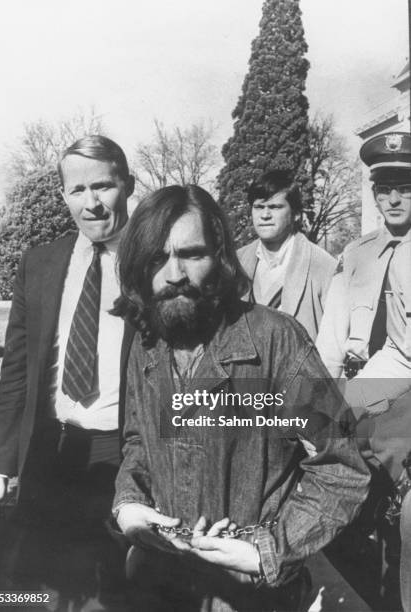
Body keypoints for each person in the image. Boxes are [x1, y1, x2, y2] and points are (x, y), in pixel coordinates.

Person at [112, 184, 369, 612]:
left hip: (252, 596)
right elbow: (139, 442)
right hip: (159, 583)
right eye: (157, 258)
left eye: (192, 254)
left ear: (220, 257)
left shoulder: (276, 341)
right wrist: (130, 506)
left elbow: (342, 468)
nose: (174, 274)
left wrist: (267, 551)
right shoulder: (147, 341)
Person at [0, 135, 136, 609]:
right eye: (77, 190)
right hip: (50, 451)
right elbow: (16, 371)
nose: (91, 204)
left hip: (123, 452)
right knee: (37, 588)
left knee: (115, 588)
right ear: (63, 196)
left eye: (102, 187)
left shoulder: (156, 265)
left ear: (127, 185)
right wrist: (1, 463)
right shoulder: (39, 263)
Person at [316, 131, 411, 610]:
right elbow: (330, 342)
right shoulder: (354, 255)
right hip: (362, 389)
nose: (394, 198)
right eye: (384, 187)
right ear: (373, 194)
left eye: (406, 187)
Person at [237, 169, 336, 340]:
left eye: (275, 207)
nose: (265, 215)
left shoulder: (323, 265)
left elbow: (333, 340)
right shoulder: (238, 261)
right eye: (259, 207)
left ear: (296, 214)